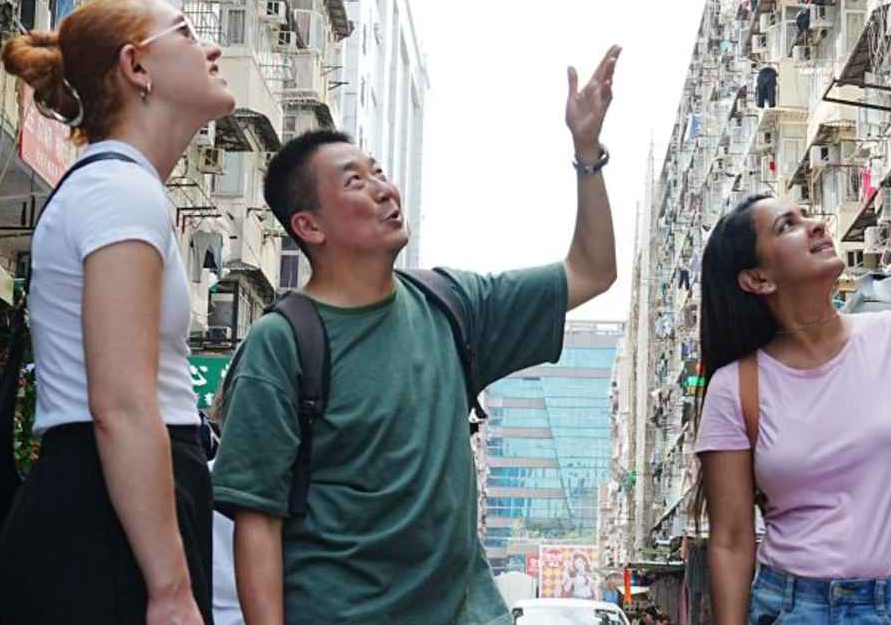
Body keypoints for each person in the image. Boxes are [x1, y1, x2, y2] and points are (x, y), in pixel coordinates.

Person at [213, 46, 622, 623]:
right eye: (355, 182)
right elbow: (256, 519)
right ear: (308, 226)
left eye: (379, 172)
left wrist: (587, 153)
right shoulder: (281, 345)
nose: (384, 189)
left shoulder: (453, 305)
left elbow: (592, 271)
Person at [0, 0, 237, 625]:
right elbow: (123, 403)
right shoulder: (120, 190)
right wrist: (170, 589)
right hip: (109, 514)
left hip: (116, 502)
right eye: (184, 32)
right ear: (136, 68)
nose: (210, 48)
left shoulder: (121, 186)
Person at [694, 194, 891, 625]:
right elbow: (730, 541)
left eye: (808, 215)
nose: (817, 225)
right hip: (793, 609)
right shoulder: (735, 388)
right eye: (788, 225)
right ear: (757, 278)